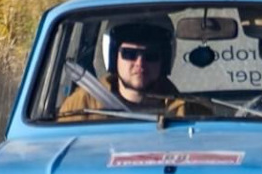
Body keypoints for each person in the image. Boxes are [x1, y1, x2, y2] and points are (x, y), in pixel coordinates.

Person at [56, 19, 201, 120]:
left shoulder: (191, 113)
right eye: (129, 54)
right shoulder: (80, 107)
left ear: (164, 61)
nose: (140, 63)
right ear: (113, 57)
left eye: (151, 55)